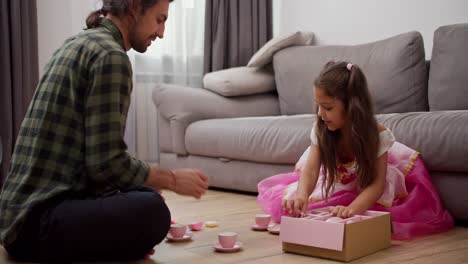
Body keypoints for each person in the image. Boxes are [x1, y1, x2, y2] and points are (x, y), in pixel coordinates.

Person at [0, 0, 209, 262]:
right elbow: (106, 165)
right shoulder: (111, 56)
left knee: (145, 193)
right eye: (160, 19)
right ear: (134, 7)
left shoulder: (77, 42)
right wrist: (173, 179)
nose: (162, 32)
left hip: (14, 218)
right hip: (36, 226)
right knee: (153, 211)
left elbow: (94, 165)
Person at [257, 61, 454, 240]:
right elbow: (310, 171)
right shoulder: (322, 128)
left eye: (327, 107)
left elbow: (376, 185)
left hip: (366, 186)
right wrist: (302, 195)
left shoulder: (377, 136)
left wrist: (353, 209)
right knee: (293, 207)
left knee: (367, 219)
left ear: (352, 106)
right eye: (318, 106)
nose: (320, 113)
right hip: (336, 181)